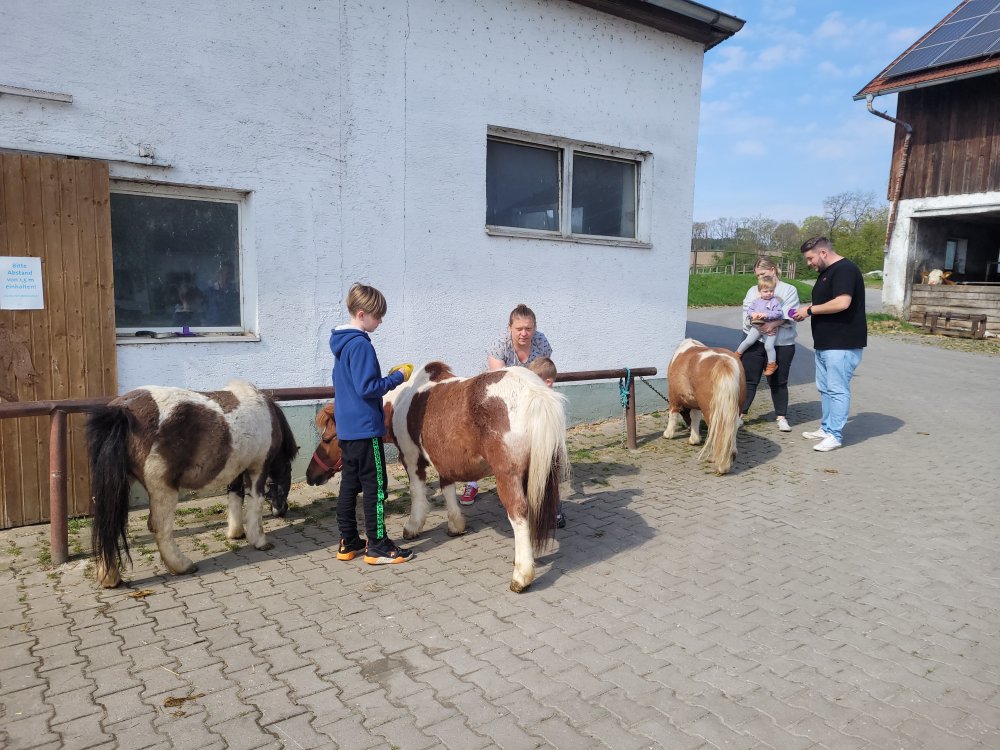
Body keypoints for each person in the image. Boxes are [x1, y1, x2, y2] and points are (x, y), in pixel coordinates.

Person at [330, 283, 414, 564]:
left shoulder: (341, 344)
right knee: (376, 487)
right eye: (378, 316)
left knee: (349, 486)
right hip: (366, 430)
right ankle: (377, 545)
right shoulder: (361, 345)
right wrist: (397, 377)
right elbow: (368, 387)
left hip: (348, 430)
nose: (380, 321)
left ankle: (349, 541)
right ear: (362, 314)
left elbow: (350, 384)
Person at [461, 304, 553, 506]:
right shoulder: (499, 345)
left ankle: (529, 475)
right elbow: (499, 381)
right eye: (519, 328)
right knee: (482, 439)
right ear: (510, 327)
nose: (524, 333)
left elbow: (545, 371)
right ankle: (472, 482)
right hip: (494, 393)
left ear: (535, 328)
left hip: (527, 394)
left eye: (528, 328)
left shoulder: (541, 342)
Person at [792, 237, 867, 452]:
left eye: (810, 258)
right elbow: (825, 303)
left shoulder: (845, 270)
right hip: (826, 343)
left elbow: (842, 303)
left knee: (837, 390)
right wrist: (806, 310)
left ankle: (835, 435)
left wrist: (809, 310)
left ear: (823, 253)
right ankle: (826, 428)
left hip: (842, 343)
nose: (809, 263)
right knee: (825, 388)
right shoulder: (827, 272)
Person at [738, 258, 799, 433]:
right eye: (757, 275)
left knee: (779, 381)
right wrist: (760, 325)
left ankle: (781, 417)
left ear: (773, 269)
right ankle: (739, 415)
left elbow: (790, 313)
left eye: (763, 274)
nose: (760, 278)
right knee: (749, 380)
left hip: (782, 343)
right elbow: (747, 312)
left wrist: (773, 324)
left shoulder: (789, 290)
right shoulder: (753, 290)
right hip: (755, 340)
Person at [527, 357, 566, 529]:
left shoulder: (551, 402)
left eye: (534, 381)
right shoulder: (539, 399)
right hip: (536, 450)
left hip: (549, 451)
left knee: (550, 484)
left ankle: (555, 514)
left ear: (548, 382)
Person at [735, 275, 785, 376]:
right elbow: (750, 310)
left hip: (770, 327)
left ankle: (772, 364)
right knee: (748, 341)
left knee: (769, 346)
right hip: (757, 326)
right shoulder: (756, 301)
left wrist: (766, 314)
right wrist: (753, 314)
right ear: (760, 291)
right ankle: (737, 354)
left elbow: (779, 313)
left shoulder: (774, 301)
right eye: (765, 291)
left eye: (771, 291)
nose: (769, 293)